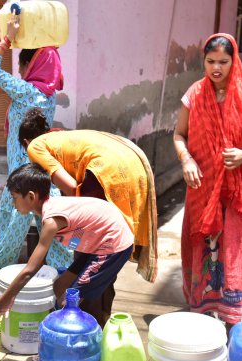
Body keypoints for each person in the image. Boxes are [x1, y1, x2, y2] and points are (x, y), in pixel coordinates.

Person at [18, 108, 158, 326]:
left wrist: (71, 217)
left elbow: (72, 188)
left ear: (26, 142)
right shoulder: (59, 137)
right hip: (133, 163)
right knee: (99, 251)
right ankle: (100, 317)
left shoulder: (35, 146)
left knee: (97, 250)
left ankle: (86, 320)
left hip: (107, 171)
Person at [0, 163, 134, 331]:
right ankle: (54, 327)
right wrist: (10, 298)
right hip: (98, 243)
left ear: (30, 197)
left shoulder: (51, 221)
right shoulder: (51, 207)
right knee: (59, 286)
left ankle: (64, 343)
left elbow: (30, 269)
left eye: (14, 197)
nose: (13, 203)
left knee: (70, 299)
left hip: (112, 245)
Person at [0, 12, 71, 285]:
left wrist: (8, 38)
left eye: (22, 66)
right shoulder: (50, 94)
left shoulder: (27, 91)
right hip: (44, 174)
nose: (21, 72)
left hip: (22, 178)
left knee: (7, 234)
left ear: (32, 65)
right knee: (53, 236)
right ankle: (67, 281)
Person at [173, 33, 242, 325]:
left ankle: (233, 318)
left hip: (234, 193)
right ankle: (202, 311)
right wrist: (186, 160)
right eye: (210, 61)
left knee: (232, 251)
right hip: (201, 190)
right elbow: (179, 135)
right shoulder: (194, 94)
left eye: (223, 62)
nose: (216, 67)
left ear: (234, 61)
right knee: (204, 249)